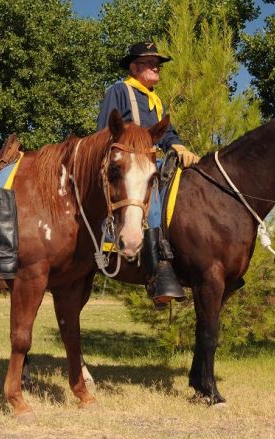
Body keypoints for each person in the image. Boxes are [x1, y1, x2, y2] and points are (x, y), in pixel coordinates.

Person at [97, 41, 199, 305]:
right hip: (128, 166)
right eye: (149, 63)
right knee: (151, 204)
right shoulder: (119, 91)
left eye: (158, 64)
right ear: (134, 67)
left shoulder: (155, 100)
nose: (156, 68)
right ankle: (158, 275)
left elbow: (165, 134)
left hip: (150, 162)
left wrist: (178, 146)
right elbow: (104, 133)